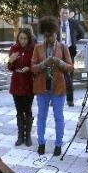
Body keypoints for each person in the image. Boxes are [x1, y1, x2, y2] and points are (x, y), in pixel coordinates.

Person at [31, 16, 73, 156]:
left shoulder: (63, 47)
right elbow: (33, 68)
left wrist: (59, 62)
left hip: (58, 87)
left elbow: (70, 67)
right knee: (41, 116)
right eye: (47, 35)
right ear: (44, 34)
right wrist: (44, 64)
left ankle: (58, 144)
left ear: (56, 33)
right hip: (42, 88)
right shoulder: (37, 48)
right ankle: (41, 143)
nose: (50, 38)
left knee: (58, 116)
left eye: (52, 35)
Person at [7, 28, 35, 147]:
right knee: (19, 111)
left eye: (25, 38)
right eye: (21, 38)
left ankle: (27, 136)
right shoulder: (14, 49)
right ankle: (20, 136)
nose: (22, 41)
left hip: (28, 83)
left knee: (27, 110)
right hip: (17, 83)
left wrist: (29, 68)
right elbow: (10, 68)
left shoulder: (33, 49)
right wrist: (10, 61)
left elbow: (36, 65)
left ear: (29, 39)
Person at [58, 7, 85, 106]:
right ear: (60, 14)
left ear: (69, 14)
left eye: (66, 13)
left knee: (69, 76)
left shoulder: (74, 23)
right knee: (56, 75)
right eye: (63, 13)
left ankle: (70, 100)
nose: (64, 15)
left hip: (70, 51)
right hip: (58, 51)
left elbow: (82, 33)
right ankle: (56, 98)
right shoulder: (56, 24)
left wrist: (74, 40)